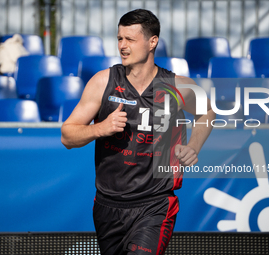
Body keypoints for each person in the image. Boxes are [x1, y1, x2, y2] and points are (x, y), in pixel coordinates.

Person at [61, 9, 215, 255]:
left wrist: (193, 146)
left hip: (156, 203)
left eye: (130, 39)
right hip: (107, 204)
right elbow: (67, 136)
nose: (123, 46)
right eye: (120, 39)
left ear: (152, 41)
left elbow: (207, 112)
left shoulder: (178, 86)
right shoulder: (103, 81)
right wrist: (100, 128)